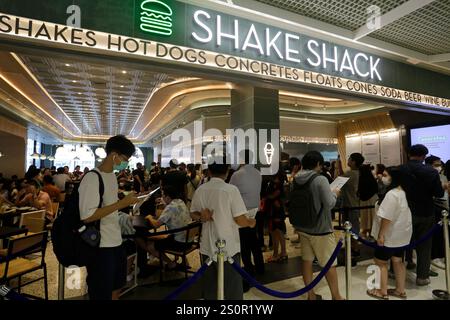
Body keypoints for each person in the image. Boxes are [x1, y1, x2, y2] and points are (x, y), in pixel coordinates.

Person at [78, 135, 139, 300]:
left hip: (115, 240)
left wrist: (125, 202)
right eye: (125, 159)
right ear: (114, 155)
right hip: (100, 245)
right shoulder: (92, 178)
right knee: (101, 290)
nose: (125, 162)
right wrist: (121, 204)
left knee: (116, 286)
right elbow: (87, 216)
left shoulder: (112, 176)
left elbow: (109, 207)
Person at [190, 156, 256, 300]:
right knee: (232, 287)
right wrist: (251, 222)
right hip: (228, 247)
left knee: (210, 287)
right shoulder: (231, 190)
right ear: (227, 171)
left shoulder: (201, 189)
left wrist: (202, 217)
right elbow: (240, 219)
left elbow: (193, 213)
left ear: (209, 171)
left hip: (207, 244)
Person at [294, 151, 344, 300]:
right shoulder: (320, 179)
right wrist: (334, 193)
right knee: (329, 263)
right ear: (318, 164)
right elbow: (329, 204)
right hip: (320, 228)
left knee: (307, 261)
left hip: (303, 226)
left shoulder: (296, 179)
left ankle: (311, 295)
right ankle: (336, 296)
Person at [399, 145, 445, 286]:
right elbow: (439, 193)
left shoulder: (400, 169)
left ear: (408, 154)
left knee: (400, 243)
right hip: (426, 212)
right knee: (425, 245)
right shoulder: (431, 171)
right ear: (424, 156)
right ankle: (422, 277)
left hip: (404, 211)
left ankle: (395, 272)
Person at [367, 167, 412, 300]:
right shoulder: (402, 192)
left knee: (380, 262)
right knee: (398, 261)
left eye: (386, 175)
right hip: (401, 236)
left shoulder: (392, 194)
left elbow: (387, 217)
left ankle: (382, 291)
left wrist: (381, 235)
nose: (383, 177)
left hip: (390, 235)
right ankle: (400, 290)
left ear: (393, 177)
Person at [229, 150, 265, 280]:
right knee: (254, 240)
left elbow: (230, 192)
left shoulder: (237, 175)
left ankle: (249, 269)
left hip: (242, 211)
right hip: (255, 211)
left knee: (244, 242)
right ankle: (260, 266)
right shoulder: (258, 173)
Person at [138, 185, 192, 269]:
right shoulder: (180, 202)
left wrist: (149, 217)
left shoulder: (170, 207)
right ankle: (184, 261)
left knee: (150, 246)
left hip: (179, 243)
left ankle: (170, 263)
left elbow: (156, 225)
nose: (161, 197)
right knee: (155, 238)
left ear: (167, 196)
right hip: (189, 240)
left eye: (163, 195)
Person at [425, 155, 449, 270]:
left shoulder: (443, 176)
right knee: (437, 234)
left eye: (440, 164)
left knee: (444, 233)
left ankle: (443, 254)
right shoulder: (427, 177)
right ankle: (435, 256)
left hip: (445, 206)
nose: (439, 167)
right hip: (434, 207)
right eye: (436, 165)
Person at [341, 153, 364, 256]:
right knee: (354, 227)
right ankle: (354, 247)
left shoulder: (349, 174)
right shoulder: (360, 173)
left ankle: (354, 248)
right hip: (355, 204)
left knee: (351, 228)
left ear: (354, 161)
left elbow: (336, 182)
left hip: (349, 205)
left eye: (349, 159)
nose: (348, 160)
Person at [263, 170, 288, 263]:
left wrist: (266, 197)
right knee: (274, 231)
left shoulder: (278, 184)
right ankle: (277, 253)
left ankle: (281, 253)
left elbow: (273, 196)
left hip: (276, 211)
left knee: (277, 231)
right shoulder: (274, 182)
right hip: (273, 210)